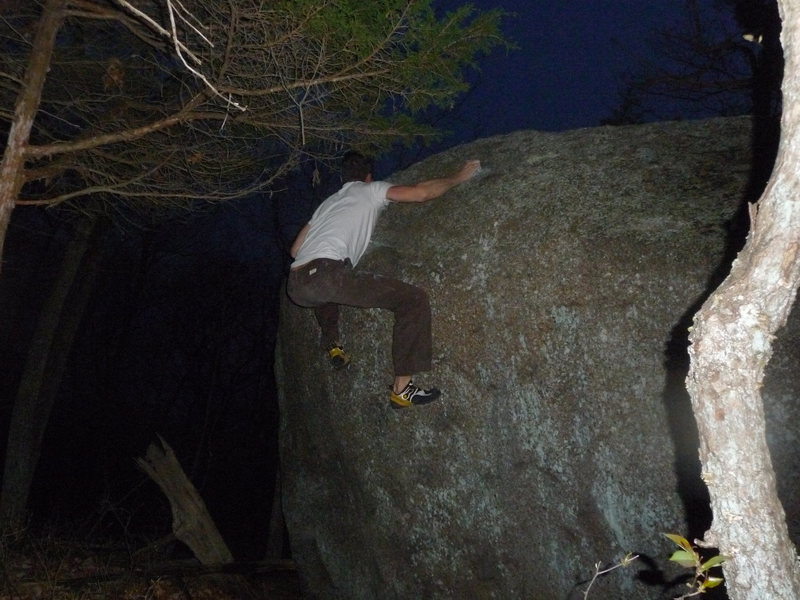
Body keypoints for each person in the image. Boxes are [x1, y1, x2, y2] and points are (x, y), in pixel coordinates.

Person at [287, 151, 480, 408]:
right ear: (368, 177)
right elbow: (421, 193)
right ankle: (403, 389)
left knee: (326, 287)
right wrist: (458, 177)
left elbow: (295, 251)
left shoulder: (327, 204)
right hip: (326, 274)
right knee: (413, 300)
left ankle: (332, 342)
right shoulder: (371, 190)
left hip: (296, 283)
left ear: (344, 178)